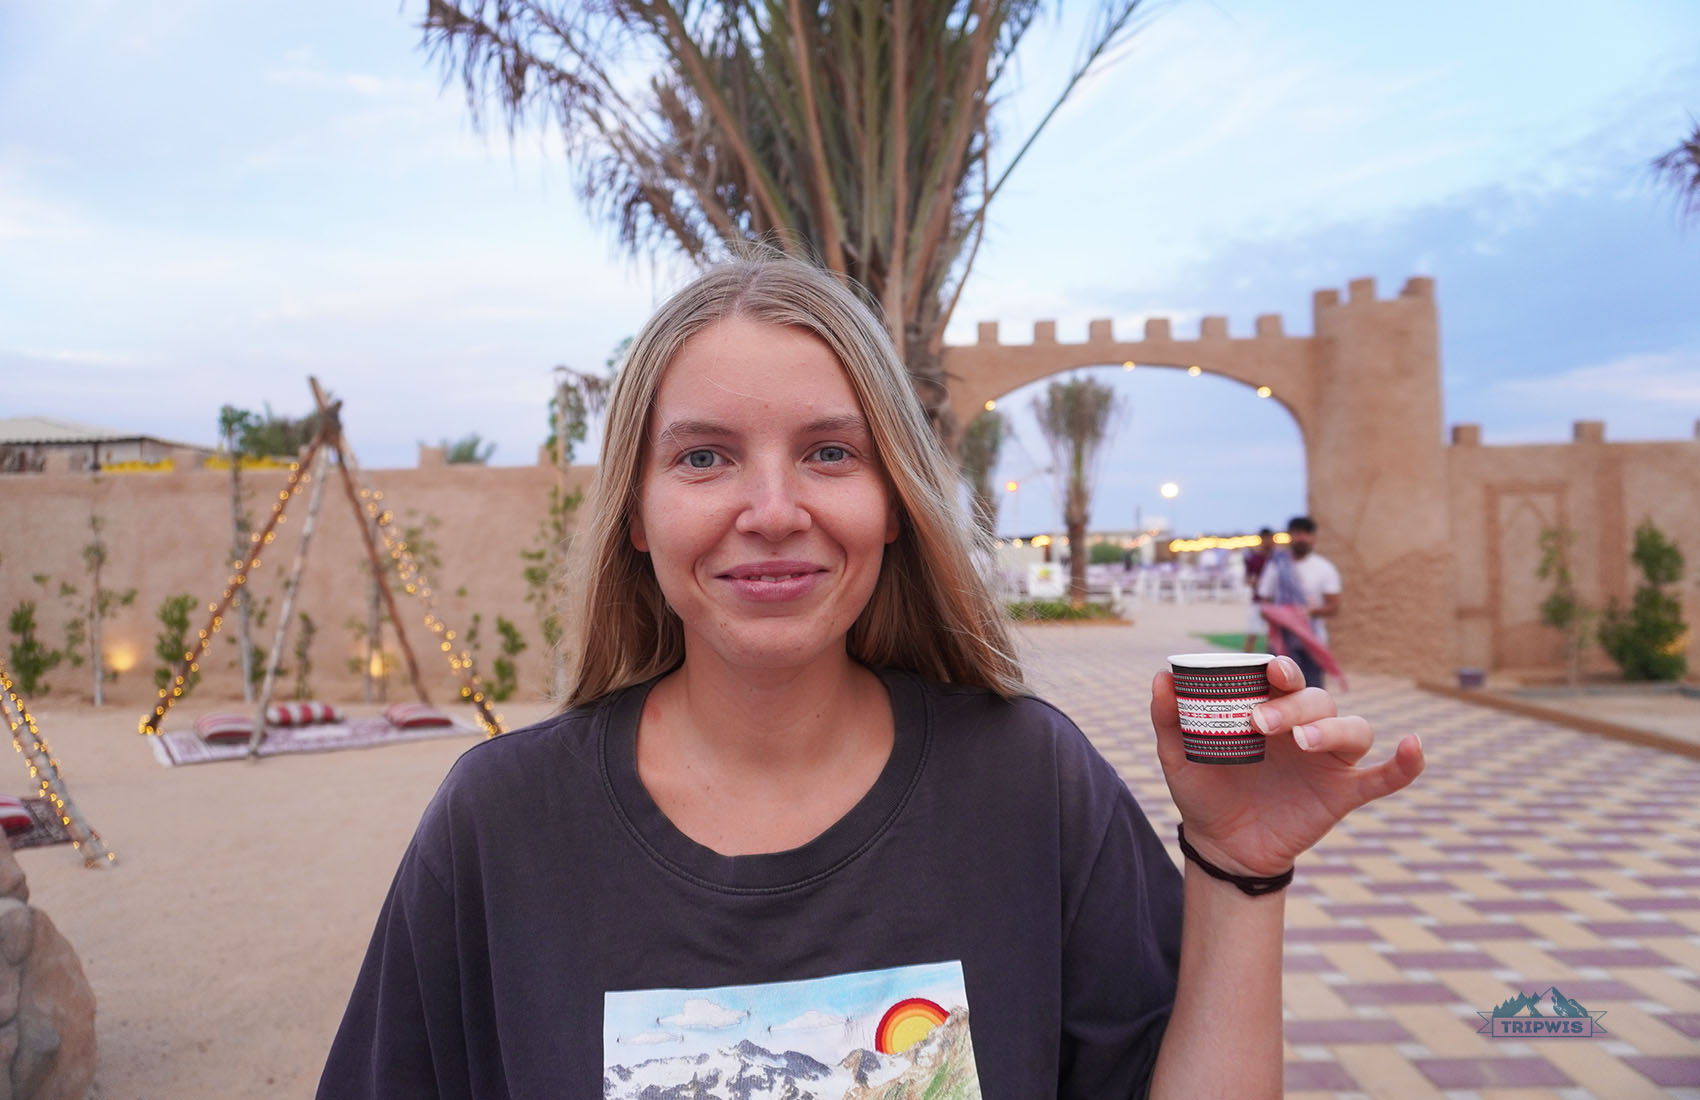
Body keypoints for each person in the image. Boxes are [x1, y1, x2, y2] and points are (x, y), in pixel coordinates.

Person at [317, 257, 1422, 1100]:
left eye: (829, 452)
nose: (772, 508)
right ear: (637, 518)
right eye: (702, 456)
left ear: (892, 501)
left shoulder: (1025, 783)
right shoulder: (504, 821)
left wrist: (1234, 868)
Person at [1256, 516, 1343, 690]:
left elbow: (1333, 606)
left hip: (1312, 641)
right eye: (1297, 533)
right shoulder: (1277, 565)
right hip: (1282, 644)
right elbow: (1264, 602)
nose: (1301, 538)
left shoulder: (1324, 568)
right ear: (1290, 536)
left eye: (1306, 533)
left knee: (1312, 694)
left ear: (1313, 537)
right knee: (1279, 693)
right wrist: (1284, 616)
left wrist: (1309, 613)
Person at [1241, 527, 1275, 652]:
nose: (1270, 542)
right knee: (1253, 633)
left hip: (1275, 602)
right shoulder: (1254, 558)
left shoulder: (1276, 558)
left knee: (1273, 637)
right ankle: (1244, 663)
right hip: (1258, 601)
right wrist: (1260, 583)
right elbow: (1247, 579)